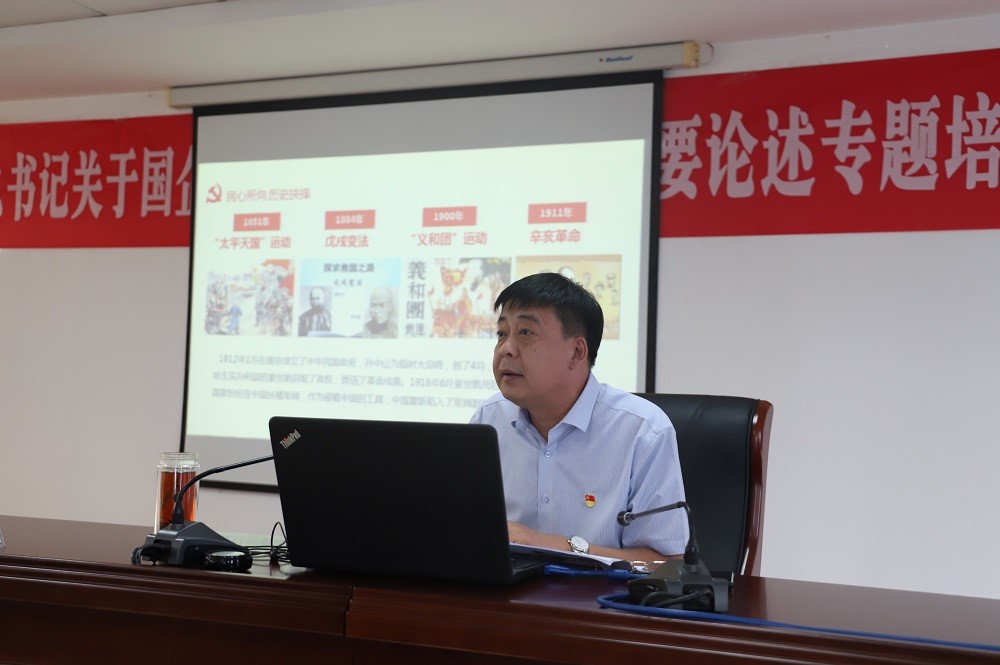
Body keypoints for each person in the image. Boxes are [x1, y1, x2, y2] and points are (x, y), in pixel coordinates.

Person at [470, 272, 688, 562]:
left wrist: (551, 544)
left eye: (525, 333)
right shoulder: (489, 419)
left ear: (576, 352)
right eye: (501, 333)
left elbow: (667, 563)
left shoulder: (643, 431)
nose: (506, 349)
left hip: (599, 592)